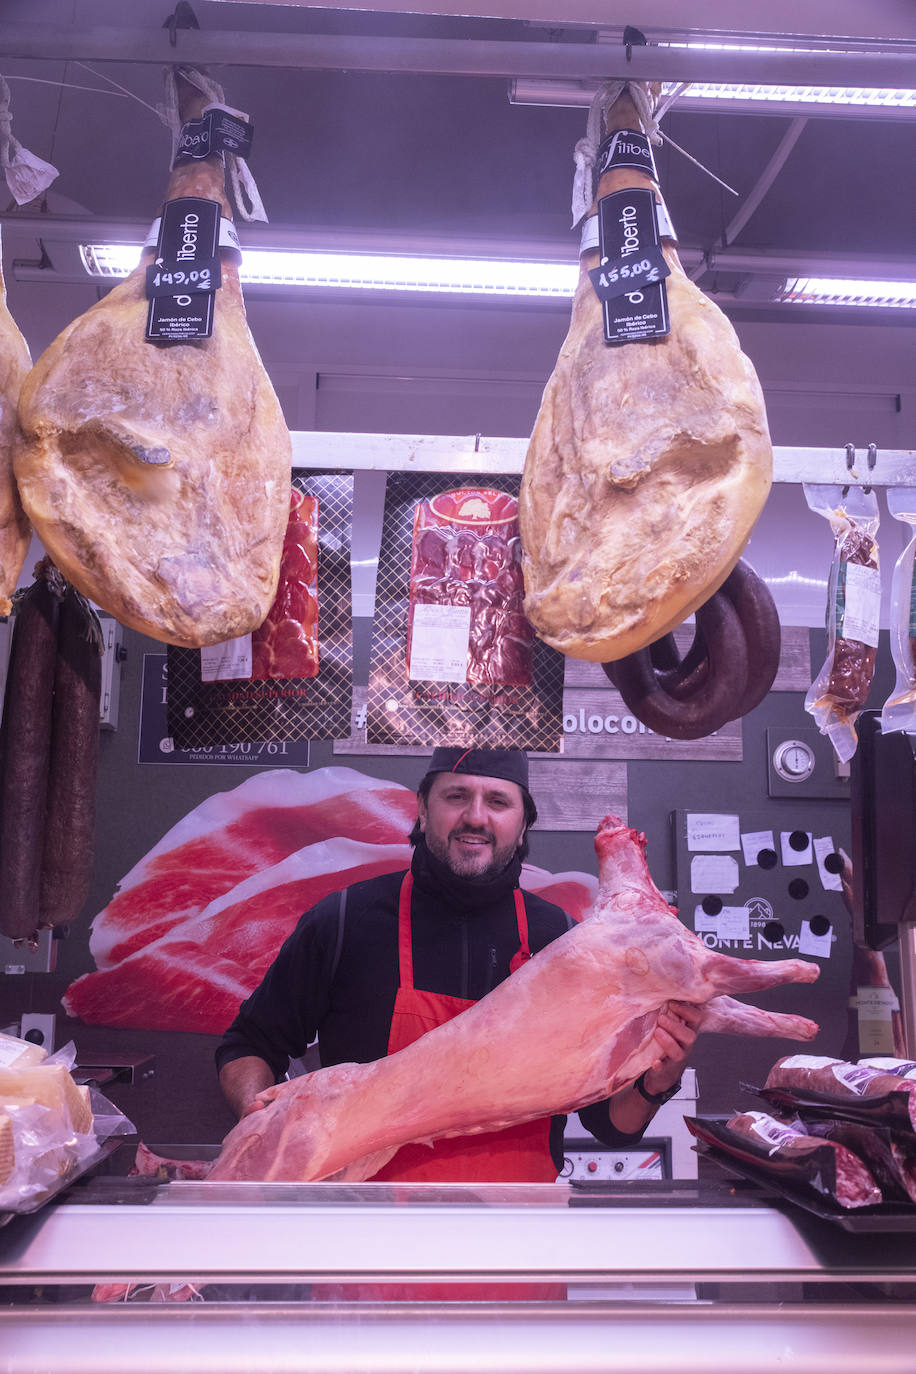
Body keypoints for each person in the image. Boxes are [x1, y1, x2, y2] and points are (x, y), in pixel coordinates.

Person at [217, 746, 698, 1187]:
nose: (475, 817)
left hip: (516, 1237)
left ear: (523, 825)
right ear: (423, 810)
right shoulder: (345, 920)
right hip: (365, 1233)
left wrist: (658, 1080)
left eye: (498, 801)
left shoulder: (566, 942)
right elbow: (249, 1044)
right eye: (456, 796)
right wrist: (263, 1129)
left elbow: (608, 1125)